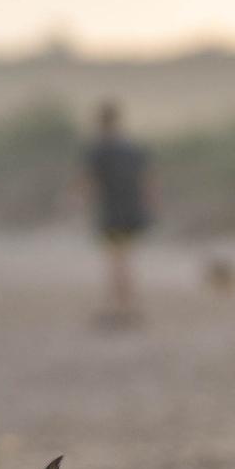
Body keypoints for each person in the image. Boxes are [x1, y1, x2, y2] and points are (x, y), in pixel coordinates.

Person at [80, 102, 156, 326]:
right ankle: (124, 306)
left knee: (117, 260)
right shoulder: (134, 147)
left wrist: (80, 203)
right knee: (124, 258)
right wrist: (149, 207)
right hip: (133, 211)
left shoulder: (98, 149)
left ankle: (121, 309)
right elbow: (149, 180)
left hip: (113, 212)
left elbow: (87, 180)